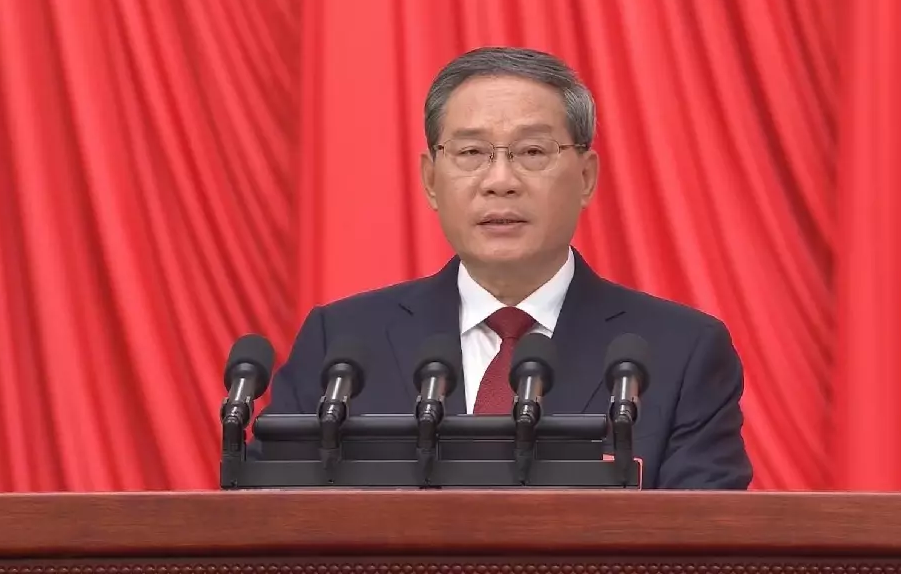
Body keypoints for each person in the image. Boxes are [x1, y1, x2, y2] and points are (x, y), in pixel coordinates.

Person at [259, 46, 752, 489]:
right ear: (431, 181)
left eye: (532, 152)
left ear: (586, 177)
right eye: (471, 153)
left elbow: (707, 538)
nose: (500, 180)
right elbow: (268, 519)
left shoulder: (681, 352)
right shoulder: (342, 346)